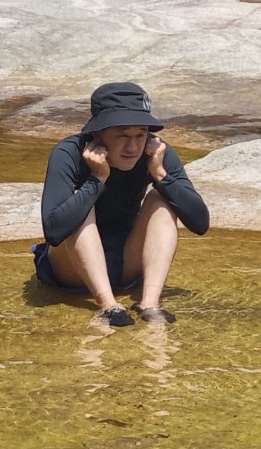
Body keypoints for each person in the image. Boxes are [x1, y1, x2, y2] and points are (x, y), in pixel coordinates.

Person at [33, 82, 209, 326]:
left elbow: (200, 223)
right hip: (71, 269)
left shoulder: (156, 153)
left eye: (140, 134)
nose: (133, 147)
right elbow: (53, 231)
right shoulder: (69, 153)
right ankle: (108, 306)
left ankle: (150, 303)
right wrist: (97, 180)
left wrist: (160, 175)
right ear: (98, 134)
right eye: (123, 135)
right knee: (81, 207)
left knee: (161, 198)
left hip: (127, 262)